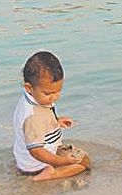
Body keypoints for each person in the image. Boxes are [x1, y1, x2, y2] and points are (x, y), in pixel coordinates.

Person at [12, 51, 91, 181]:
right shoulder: (33, 116)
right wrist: (61, 161)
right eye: (48, 93)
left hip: (25, 160)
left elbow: (39, 123)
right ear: (28, 87)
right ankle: (52, 174)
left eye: (58, 91)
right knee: (84, 162)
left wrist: (55, 121)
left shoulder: (33, 98)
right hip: (37, 164)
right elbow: (36, 150)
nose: (54, 97)